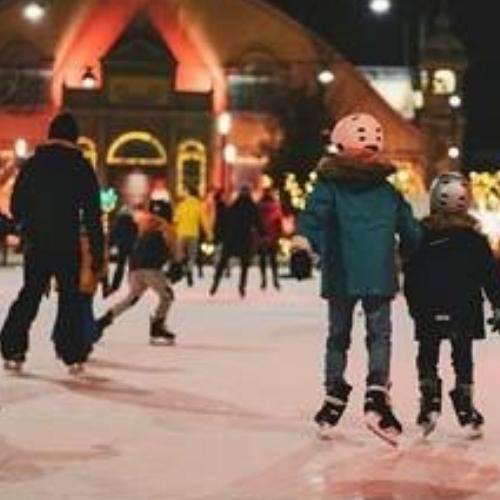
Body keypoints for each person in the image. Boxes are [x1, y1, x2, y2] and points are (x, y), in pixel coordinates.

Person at [291, 113, 421, 444]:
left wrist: (303, 244)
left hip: (342, 274)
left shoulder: (329, 186)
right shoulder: (388, 192)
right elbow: (410, 230)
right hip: (378, 272)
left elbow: (313, 217)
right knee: (379, 335)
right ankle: (376, 392)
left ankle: (335, 391)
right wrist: (415, 253)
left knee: (339, 335)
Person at [0, 112, 104, 374]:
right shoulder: (81, 167)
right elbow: (93, 213)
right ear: (74, 137)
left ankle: (13, 346)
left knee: (30, 293)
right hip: (67, 242)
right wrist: (97, 251)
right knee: (69, 298)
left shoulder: (33, 164)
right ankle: (72, 353)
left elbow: (16, 205)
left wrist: (28, 225)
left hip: (38, 241)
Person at [404, 172, 500, 438]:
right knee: (462, 356)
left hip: (430, 305)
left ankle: (430, 398)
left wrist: (415, 304)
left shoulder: (422, 235)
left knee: (428, 352)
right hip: (463, 307)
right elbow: (490, 275)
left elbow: (411, 272)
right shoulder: (475, 239)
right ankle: (463, 402)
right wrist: (497, 303)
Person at [95, 200, 182, 345]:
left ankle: (104, 320)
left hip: (134, 269)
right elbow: (175, 253)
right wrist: (177, 265)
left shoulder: (145, 225)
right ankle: (157, 326)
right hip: (151, 270)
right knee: (167, 296)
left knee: (131, 299)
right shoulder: (168, 229)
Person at [210, 185, 262, 298]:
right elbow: (258, 222)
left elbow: (224, 221)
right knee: (244, 265)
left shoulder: (234, 205)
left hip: (231, 238)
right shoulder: (252, 207)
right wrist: (262, 234)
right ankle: (242, 287)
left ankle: (215, 283)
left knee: (223, 262)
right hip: (244, 239)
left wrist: (219, 236)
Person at [174, 185, 211, 286]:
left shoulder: (181, 205)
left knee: (179, 254)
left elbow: (175, 220)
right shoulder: (199, 205)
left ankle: (178, 272)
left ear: (189, 193)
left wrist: (174, 232)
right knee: (192, 255)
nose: (184, 193)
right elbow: (204, 221)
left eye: (185, 191)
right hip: (194, 234)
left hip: (181, 233)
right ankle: (189, 270)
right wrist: (209, 234)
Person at [257, 188, 283, 290]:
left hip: (262, 237)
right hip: (273, 236)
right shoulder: (275, 206)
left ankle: (264, 280)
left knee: (263, 260)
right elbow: (279, 222)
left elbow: (257, 222)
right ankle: (275, 280)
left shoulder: (259, 206)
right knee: (273, 260)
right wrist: (279, 234)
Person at [109, 206, 138, 294]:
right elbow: (138, 234)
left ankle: (115, 286)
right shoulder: (134, 222)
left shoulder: (118, 222)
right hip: (132, 246)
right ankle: (134, 286)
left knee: (120, 266)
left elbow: (114, 234)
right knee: (132, 267)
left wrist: (111, 245)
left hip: (122, 246)